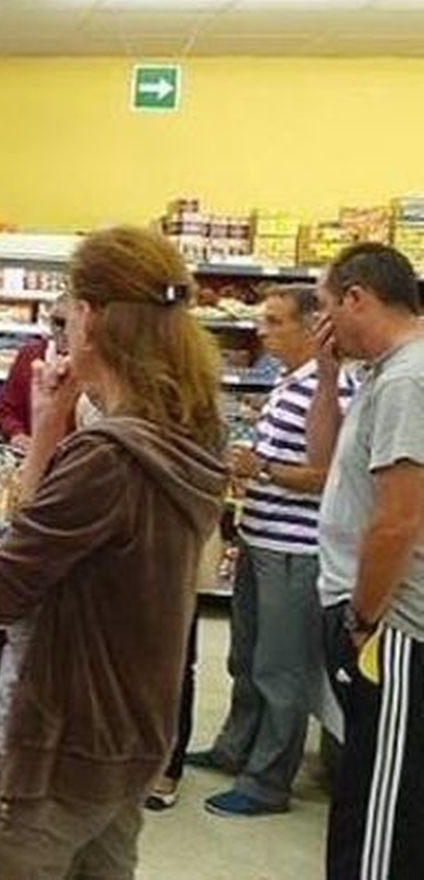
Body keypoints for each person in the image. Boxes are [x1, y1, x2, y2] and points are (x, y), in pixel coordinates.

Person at [0, 226, 228, 880]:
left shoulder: (106, 458)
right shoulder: (196, 435)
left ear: (90, 318)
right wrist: (57, 419)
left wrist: (49, 426)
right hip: (133, 736)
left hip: (52, 746)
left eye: (66, 311)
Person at [185, 286, 354, 817]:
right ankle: (237, 748)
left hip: (295, 549)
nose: (262, 330)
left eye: (275, 321)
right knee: (247, 657)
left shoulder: (333, 389)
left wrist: (263, 469)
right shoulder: (287, 382)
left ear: (310, 328)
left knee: (283, 670)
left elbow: (330, 476)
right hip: (261, 539)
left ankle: (267, 781)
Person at [311, 242, 424, 880]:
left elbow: (400, 517)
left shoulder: (409, 377)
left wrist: (361, 617)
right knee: (367, 781)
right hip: (377, 617)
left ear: (358, 298)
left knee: (382, 804)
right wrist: (328, 374)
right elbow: (332, 464)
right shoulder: (384, 372)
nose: (322, 324)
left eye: (327, 307)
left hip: (395, 625)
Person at [0, 293, 70, 452]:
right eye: (58, 322)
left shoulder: (97, 365)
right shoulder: (30, 355)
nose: (63, 331)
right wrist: (16, 434)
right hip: (31, 454)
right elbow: (6, 408)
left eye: (70, 324)